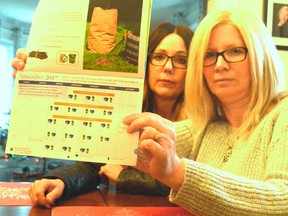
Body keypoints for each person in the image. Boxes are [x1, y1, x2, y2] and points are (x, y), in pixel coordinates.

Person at [123, 9, 288, 215]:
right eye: (209, 55)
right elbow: (155, 133)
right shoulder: (207, 127)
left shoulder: (283, 115)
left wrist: (177, 172)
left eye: (235, 51)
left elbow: (284, 200)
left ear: (261, 55)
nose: (219, 65)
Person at [11, 22, 194, 208]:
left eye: (181, 60)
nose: (168, 67)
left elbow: (190, 182)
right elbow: (93, 167)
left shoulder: (202, 124)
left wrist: (126, 178)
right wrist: (61, 181)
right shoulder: (125, 108)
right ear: (146, 62)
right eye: (159, 56)